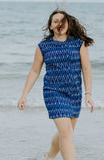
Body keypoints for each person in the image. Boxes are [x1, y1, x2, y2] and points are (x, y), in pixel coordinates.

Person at [18, 8, 95, 160]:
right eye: (55, 21)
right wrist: (24, 94)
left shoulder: (79, 43)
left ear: (68, 24)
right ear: (50, 26)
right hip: (53, 92)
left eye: (62, 21)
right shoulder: (43, 46)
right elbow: (34, 71)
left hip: (74, 93)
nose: (60, 23)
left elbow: (86, 69)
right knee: (66, 133)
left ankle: (49, 157)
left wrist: (88, 94)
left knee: (66, 132)